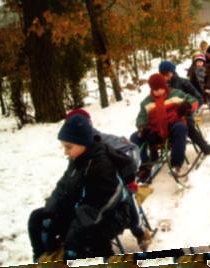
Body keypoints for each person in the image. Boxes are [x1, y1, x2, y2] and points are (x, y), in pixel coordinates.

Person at [28, 114, 132, 262]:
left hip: (113, 214)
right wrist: (51, 211)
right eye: (64, 147)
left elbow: (98, 206)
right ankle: (40, 257)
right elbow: (64, 186)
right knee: (38, 218)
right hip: (84, 209)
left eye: (68, 147)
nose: (65, 152)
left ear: (83, 143)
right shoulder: (77, 158)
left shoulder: (100, 165)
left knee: (87, 237)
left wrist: (75, 231)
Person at [64, 108, 152, 252]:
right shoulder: (74, 148)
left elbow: (132, 150)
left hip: (116, 184)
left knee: (124, 193)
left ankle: (140, 231)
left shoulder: (105, 140)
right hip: (93, 191)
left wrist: (121, 174)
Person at [130, 73, 199, 179]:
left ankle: (176, 162)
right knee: (135, 137)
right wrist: (141, 126)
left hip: (172, 127)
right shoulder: (146, 102)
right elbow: (141, 117)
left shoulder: (176, 94)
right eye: (155, 89)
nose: (158, 92)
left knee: (180, 128)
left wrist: (187, 105)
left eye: (160, 88)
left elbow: (193, 100)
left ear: (164, 86)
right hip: (156, 131)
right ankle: (145, 165)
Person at [158, 61, 210, 155]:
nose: (165, 76)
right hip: (167, 115)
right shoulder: (158, 86)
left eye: (167, 73)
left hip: (183, 112)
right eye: (162, 74)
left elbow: (198, 98)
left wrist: (189, 108)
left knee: (189, 126)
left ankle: (205, 147)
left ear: (172, 72)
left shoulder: (183, 82)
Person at [187, 54, 210, 123]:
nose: (199, 63)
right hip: (197, 91)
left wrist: (207, 88)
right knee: (196, 102)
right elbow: (191, 83)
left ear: (204, 62)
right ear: (195, 63)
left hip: (206, 89)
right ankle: (196, 120)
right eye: (197, 62)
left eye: (201, 62)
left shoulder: (208, 70)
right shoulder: (192, 71)